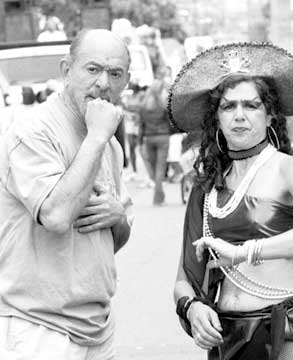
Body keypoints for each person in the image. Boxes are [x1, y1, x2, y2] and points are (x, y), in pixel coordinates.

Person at [171, 43, 293, 360]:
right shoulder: (207, 185)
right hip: (226, 334)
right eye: (228, 107)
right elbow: (184, 278)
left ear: (270, 114)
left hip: (286, 329)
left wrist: (244, 252)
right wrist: (191, 307)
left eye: (251, 106)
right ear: (216, 118)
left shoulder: (291, 168)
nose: (239, 116)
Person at [0, 29, 133, 359]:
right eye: (92, 69)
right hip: (38, 327)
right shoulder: (34, 130)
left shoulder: (109, 146)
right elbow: (57, 216)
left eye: (114, 73)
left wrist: (118, 217)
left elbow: (110, 240)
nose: (103, 83)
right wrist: (97, 138)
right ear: (66, 70)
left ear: (126, 82)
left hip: (97, 325)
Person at [139, 74, 171, 205]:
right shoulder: (162, 106)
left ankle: (159, 196)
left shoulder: (144, 106)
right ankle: (158, 198)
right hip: (163, 137)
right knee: (160, 169)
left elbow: (141, 125)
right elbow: (169, 121)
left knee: (154, 168)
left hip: (149, 138)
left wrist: (140, 142)